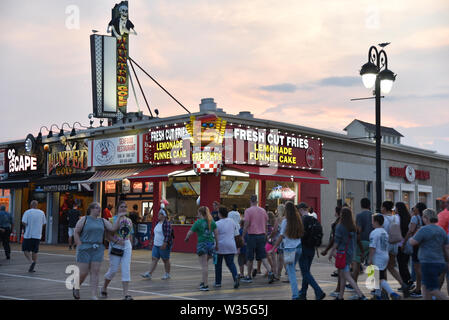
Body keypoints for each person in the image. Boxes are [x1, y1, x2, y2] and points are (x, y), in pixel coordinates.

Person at [72, 202, 126, 300]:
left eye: (100, 208)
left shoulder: (102, 220)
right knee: (83, 272)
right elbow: (76, 231)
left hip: (97, 248)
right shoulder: (84, 219)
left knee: (95, 272)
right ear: (91, 209)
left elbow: (113, 228)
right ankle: (76, 286)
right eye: (97, 208)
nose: (99, 210)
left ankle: (94, 295)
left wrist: (119, 217)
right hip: (85, 248)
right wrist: (79, 244)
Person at [409, 209, 449, 300]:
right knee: (425, 286)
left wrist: (410, 238)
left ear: (426, 218)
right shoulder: (441, 230)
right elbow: (446, 248)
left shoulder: (424, 230)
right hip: (440, 262)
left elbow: (413, 242)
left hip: (428, 262)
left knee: (432, 289)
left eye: (423, 216)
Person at [329, 207, 368, 300]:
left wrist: (331, 252)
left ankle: (360, 295)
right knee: (342, 275)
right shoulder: (353, 227)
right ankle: (340, 296)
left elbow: (336, 242)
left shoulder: (340, 227)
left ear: (342, 215)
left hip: (342, 253)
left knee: (346, 275)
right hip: (350, 253)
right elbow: (355, 241)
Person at [270, 201, 306, 300]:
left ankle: (295, 295)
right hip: (299, 247)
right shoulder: (298, 219)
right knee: (292, 270)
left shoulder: (286, 221)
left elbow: (281, 236)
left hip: (290, 249)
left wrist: (273, 248)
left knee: (291, 273)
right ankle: (299, 292)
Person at [101, 201, 134, 300]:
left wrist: (130, 245)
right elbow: (107, 236)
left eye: (125, 207)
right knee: (113, 270)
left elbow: (130, 234)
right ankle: (104, 287)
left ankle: (126, 294)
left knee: (126, 268)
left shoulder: (129, 220)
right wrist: (117, 241)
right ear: (117, 208)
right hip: (115, 246)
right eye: (121, 207)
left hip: (126, 245)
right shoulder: (112, 220)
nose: (123, 208)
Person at [295, 202, 325, 300]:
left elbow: (300, 235)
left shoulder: (302, 220)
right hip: (312, 249)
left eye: (298, 210)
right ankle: (303, 293)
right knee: (306, 272)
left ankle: (318, 291)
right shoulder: (313, 219)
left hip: (303, 248)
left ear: (301, 209)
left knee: (305, 273)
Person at [242, 195, 275, 284]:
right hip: (261, 235)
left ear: (250, 201)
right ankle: (270, 272)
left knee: (250, 257)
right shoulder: (263, 210)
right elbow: (265, 224)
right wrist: (265, 234)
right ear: (257, 201)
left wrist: (243, 236)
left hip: (252, 235)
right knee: (263, 256)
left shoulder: (248, 211)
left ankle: (249, 276)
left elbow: (246, 224)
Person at [185, 206, 219, 291]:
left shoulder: (198, 222)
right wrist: (217, 244)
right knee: (205, 264)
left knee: (204, 265)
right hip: (210, 244)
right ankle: (203, 282)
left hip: (202, 245)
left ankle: (205, 284)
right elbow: (216, 234)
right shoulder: (212, 222)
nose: (197, 214)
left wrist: (186, 238)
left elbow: (190, 232)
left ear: (200, 213)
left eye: (198, 213)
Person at [368, 214, 402, 300]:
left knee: (379, 278)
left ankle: (393, 294)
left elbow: (372, 247)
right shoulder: (384, 232)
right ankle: (378, 295)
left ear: (376, 222)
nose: (371, 223)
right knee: (378, 276)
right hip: (385, 256)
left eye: (372, 221)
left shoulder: (374, 232)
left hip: (377, 257)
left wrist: (370, 259)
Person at [381, 201, 410, 297]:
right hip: (394, 245)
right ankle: (403, 284)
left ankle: (384, 292)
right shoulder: (396, 217)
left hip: (385, 245)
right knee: (391, 267)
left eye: (382, 207)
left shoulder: (382, 218)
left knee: (383, 268)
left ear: (384, 208)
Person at [141, 205, 174, 281]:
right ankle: (149, 273)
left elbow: (168, 235)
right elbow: (154, 233)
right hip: (156, 245)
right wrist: (151, 241)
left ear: (164, 215)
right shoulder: (157, 223)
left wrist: (165, 243)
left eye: (160, 214)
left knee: (166, 260)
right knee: (154, 259)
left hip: (163, 245)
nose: (158, 215)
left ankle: (167, 274)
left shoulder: (167, 224)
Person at [403, 202, 426, 298]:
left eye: (415, 207)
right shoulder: (424, 218)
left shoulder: (414, 218)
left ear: (418, 209)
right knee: (419, 267)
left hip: (416, 243)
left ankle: (420, 289)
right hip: (423, 243)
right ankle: (419, 288)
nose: (414, 208)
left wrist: (404, 242)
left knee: (417, 268)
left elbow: (410, 231)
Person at [214, 206, 240, 289]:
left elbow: (215, 235)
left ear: (220, 214)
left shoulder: (217, 223)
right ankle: (235, 276)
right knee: (230, 263)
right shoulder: (232, 222)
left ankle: (218, 282)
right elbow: (236, 234)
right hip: (231, 245)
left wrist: (215, 245)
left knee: (218, 265)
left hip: (220, 246)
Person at [321, 206, 342, 297]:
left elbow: (335, 239)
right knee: (344, 273)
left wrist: (327, 250)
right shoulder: (346, 223)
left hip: (341, 249)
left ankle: (339, 290)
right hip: (344, 249)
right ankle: (340, 292)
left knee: (343, 273)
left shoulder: (338, 224)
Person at [351, 198, 372, 288]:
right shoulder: (373, 215)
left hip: (362, 241)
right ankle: (374, 285)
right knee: (371, 264)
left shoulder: (359, 215)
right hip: (371, 241)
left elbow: (359, 230)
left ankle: (353, 284)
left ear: (361, 205)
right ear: (369, 205)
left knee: (356, 263)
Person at [21, 200, 46, 273]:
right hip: (37, 235)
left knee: (25, 249)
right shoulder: (42, 212)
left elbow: (23, 222)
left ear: (30, 205)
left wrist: (28, 226)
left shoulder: (27, 212)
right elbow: (44, 223)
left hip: (28, 235)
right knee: (35, 251)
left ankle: (31, 261)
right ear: (37, 205)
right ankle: (33, 266)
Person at [395, 202, 413, 289]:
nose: (395, 210)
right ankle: (408, 281)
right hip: (407, 243)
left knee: (401, 264)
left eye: (396, 208)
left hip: (399, 243)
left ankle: (406, 282)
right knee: (405, 263)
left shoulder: (397, 218)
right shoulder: (409, 217)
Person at [274, 204, 286, 281]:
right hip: (286, 240)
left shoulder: (278, 219)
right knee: (284, 258)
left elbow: (275, 230)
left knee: (280, 258)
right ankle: (287, 272)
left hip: (280, 240)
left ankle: (278, 274)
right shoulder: (287, 218)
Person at [265, 211, 278, 279]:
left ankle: (270, 269)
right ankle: (274, 272)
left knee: (266, 255)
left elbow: (266, 232)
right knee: (274, 258)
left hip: (269, 241)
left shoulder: (267, 223)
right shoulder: (275, 222)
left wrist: (268, 236)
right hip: (275, 241)